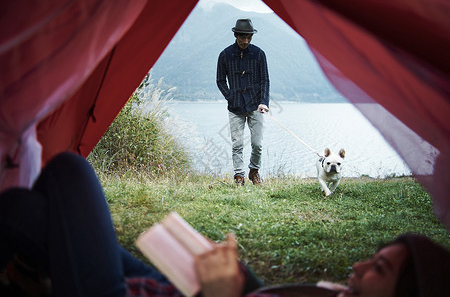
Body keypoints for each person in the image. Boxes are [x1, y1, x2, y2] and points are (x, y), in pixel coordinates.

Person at [1, 152, 449, 297]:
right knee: (21, 209)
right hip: (181, 285)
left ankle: (44, 272)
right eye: (373, 258)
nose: (357, 266)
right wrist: (238, 277)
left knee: (69, 170)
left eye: (378, 270)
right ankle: (39, 270)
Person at [217, 18, 270, 186]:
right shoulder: (225, 55)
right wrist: (230, 96)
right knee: (237, 143)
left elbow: (265, 81)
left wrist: (264, 101)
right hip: (235, 107)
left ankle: (254, 171)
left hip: (256, 106)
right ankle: (239, 175)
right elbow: (220, 80)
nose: (246, 41)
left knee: (257, 144)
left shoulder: (259, 54)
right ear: (235, 35)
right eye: (242, 37)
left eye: (249, 37)